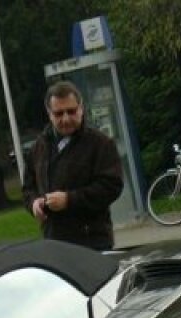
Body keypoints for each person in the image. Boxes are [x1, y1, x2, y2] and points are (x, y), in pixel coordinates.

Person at [22, 80, 124, 251]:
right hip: (54, 242)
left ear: (81, 109)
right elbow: (28, 188)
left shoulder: (100, 143)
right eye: (59, 113)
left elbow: (111, 186)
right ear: (49, 114)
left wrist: (69, 200)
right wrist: (34, 204)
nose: (66, 118)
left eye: (71, 111)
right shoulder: (38, 148)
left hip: (92, 242)